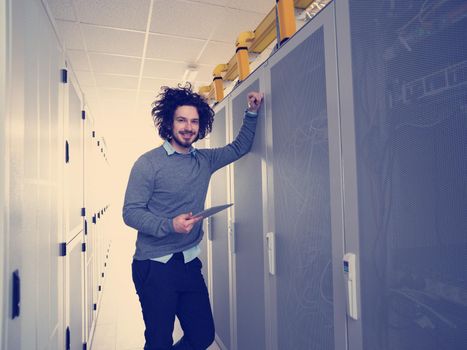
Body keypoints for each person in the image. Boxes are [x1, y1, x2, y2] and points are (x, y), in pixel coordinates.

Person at [122, 83, 263, 350]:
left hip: (187, 263)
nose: (188, 127)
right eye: (182, 120)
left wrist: (252, 112)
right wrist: (169, 225)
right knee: (159, 341)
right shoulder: (148, 163)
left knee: (202, 335)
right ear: (169, 123)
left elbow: (238, 148)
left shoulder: (204, 160)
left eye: (194, 121)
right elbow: (130, 213)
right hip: (154, 266)